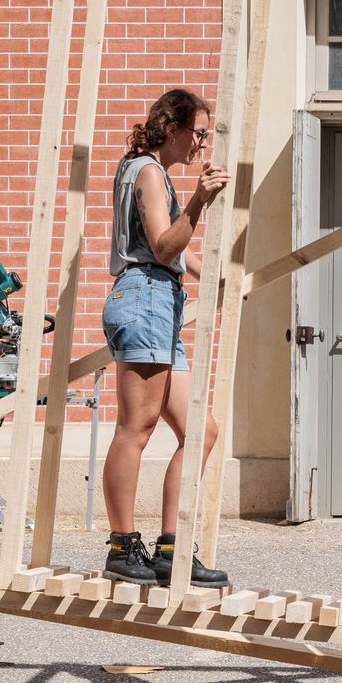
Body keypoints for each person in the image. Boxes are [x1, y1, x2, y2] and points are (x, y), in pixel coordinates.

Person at [99, 87, 232, 589]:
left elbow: (171, 254)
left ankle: (171, 549)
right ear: (171, 128)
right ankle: (122, 545)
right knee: (137, 426)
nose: (201, 143)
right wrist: (199, 200)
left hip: (158, 302)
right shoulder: (150, 173)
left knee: (203, 431)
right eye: (197, 133)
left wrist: (211, 276)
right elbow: (161, 245)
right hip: (144, 301)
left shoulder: (144, 170)